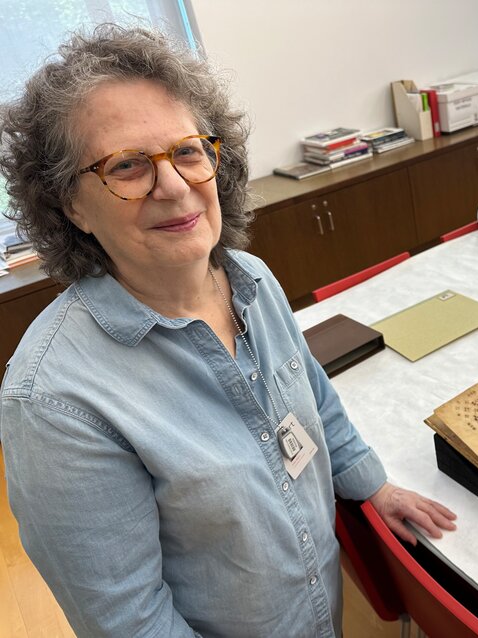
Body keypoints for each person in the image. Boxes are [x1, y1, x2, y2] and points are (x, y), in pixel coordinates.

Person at [0, 25, 455, 637]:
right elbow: (130, 623)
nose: (175, 185)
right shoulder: (57, 404)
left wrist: (372, 486)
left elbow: (312, 396)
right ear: (70, 205)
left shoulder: (250, 279)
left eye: (187, 151)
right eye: (128, 166)